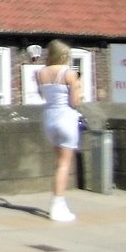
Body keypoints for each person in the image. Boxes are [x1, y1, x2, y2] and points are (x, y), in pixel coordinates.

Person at [36, 40, 83, 221]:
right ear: (64, 56)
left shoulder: (40, 73)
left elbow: (42, 95)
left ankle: (59, 203)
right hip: (66, 118)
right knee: (64, 164)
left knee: (58, 163)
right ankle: (57, 204)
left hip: (49, 119)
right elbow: (75, 102)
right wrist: (79, 88)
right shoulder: (70, 74)